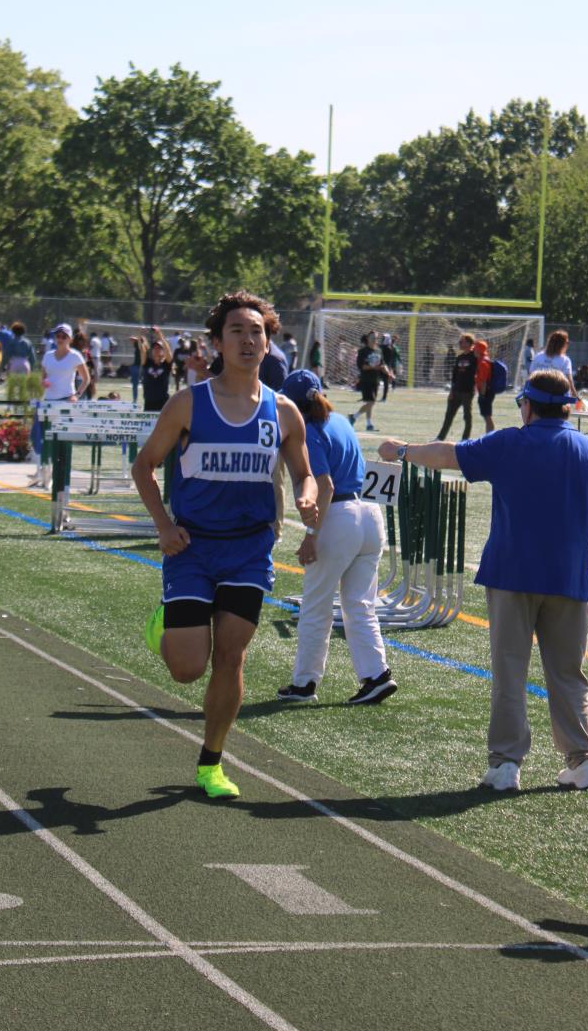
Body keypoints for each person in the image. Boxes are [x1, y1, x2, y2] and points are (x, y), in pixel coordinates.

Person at [378, 368, 588, 791]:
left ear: (528, 406)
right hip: (569, 579)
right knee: (568, 674)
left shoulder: (510, 442)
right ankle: (584, 761)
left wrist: (401, 450)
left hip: (512, 574)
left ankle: (507, 764)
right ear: (567, 409)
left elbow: (448, 455)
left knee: (510, 672)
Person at [132, 290, 317, 799]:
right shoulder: (189, 403)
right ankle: (165, 625)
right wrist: (163, 526)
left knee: (231, 656)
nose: (248, 340)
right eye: (237, 331)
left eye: (257, 332)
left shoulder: (284, 412)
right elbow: (144, 466)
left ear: (268, 343)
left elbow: (304, 473)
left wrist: (306, 497)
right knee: (187, 668)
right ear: (217, 341)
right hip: (191, 547)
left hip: (249, 551)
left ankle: (211, 763)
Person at [276, 369, 397, 706]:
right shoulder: (341, 420)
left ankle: (304, 683)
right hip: (370, 514)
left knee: (316, 605)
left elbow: (325, 485)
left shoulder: (308, 430)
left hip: (339, 518)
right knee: (360, 604)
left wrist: (311, 534)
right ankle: (376, 675)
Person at [33, 323, 91, 487]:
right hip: (49, 401)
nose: (60, 339)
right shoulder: (48, 355)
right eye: (57, 336)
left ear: (70, 339)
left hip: (66, 401)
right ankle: (45, 473)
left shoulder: (75, 356)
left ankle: (61, 475)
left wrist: (77, 395)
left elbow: (86, 379)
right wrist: (44, 382)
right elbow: (44, 377)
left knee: (63, 441)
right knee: (45, 438)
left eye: (63, 336)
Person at [436, 333, 483, 441]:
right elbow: (454, 376)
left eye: (462, 342)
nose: (460, 343)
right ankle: (440, 438)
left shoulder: (475, 357)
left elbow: (480, 372)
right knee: (448, 416)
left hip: (467, 391)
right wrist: (451, 391)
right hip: (456, 391)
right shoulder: (459, 357)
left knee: (467, 416)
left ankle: (465, 440)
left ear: (469, 343)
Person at [348, 330, 387, 430]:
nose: (374, 339)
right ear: (368, 339)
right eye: (372, 338)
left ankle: (368, 424)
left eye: (376, 338)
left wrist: (389, 373)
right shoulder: (363, 351)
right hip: (366, 380)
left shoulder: (379, 351)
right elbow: (362, 366)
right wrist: (374, 367)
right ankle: (355, 417)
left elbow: (382, 364)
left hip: (376, 380)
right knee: (371, 402)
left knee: (370, 403)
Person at [530, 330, 577, 397]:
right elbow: (569, 381)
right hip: (557, 397)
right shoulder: (565, 360)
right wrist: (575, 395)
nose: (567, 345)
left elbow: (530, 376)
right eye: (567, 342)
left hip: (537, 396)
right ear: (562, 344)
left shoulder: (538, 357)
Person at [141, 330, 173, 412]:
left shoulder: (166, 365)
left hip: (163, 401)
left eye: (159, 348)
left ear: (163, 351)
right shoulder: (147, 363)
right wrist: (141, 336)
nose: (156, 349)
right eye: (154, 348)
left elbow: (169, 353)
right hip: (149, 401)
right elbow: (142, 351)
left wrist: (161, 336)